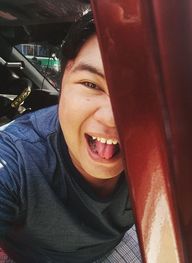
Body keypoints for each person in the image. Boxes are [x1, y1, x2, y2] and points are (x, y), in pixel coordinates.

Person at [0, 11, 141, 263]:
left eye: (140, 92)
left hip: (113, 250)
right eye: (91, 84)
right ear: (63, 80)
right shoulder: (16, 156)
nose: (110, 119)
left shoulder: (162, 153)